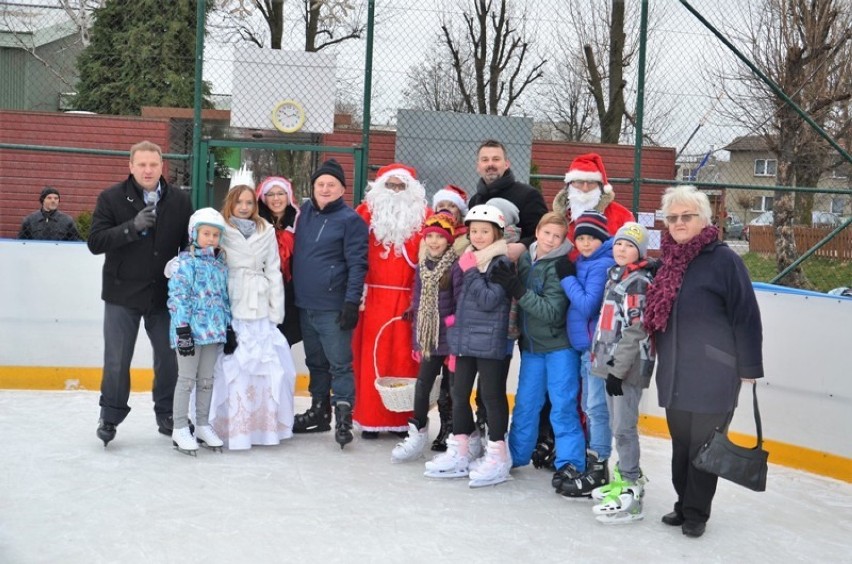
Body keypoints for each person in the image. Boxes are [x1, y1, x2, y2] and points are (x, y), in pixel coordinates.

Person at [644, 185, 763, 538]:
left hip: (715, 372)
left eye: (687, 216)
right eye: (673, 217)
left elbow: (746, 316)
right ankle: (683, 504)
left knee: (704, 447)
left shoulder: (725, 260)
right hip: (676, 371)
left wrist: (749, 368)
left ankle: (697, 513)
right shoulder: (667, 260)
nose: (679, 223)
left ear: (704, 219)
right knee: (681, 446)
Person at [88, 140, 193, 446]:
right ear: (131, 166)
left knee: (168, 358)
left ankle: (167, 413)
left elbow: (189, 241)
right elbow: (95, 242)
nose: (148, 170)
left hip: (163, 295)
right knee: (118, 359)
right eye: (142, 164)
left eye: (154, 164)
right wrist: (131, 227)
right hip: (123, 293)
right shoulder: (111, 198)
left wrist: (184, 261)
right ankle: (110, 415)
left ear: (163, 167)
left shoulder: (180, 201)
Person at [489, 213, 585, 483]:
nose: (551, 240)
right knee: (526, 404)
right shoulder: (526, 259)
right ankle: (516, 456)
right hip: (531, 347)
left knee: (563, 405)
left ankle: (571, 462)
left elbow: (553, 312)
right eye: (547, 234)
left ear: (564, 239)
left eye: (557, 236)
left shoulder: (561, 266)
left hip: (559, 347)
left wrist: (518, 290)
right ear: (539, 232)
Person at [208, 167, 297, 450]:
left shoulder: (266, 230)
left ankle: (262, 428)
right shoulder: (220, 229)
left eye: (249, 202)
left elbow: (273, 271)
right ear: (230, 203)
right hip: (233, 303)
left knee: (266, 367)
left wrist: (275, 311)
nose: (244, 207)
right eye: (239, 202)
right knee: (233, 366)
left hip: (259, 307)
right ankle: (231, 427)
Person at [424, 204, 512, 488]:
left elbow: (489, 300)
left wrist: (471, 272)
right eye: (474, 231)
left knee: (491, 397)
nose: (478, 236)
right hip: (464, 340)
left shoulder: (501, 262)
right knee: (459, 394)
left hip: (489, 340)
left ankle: (498, 454)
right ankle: (462, 448)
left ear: (497, 233)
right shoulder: (469, 257)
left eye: (485, 231)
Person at [292, 159, 368, 449]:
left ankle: (343, 417)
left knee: (339, 364)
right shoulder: (305, 213)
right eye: (320, 184)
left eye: (331, 184)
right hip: (305, 304)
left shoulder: (351, 221)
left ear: (342, 189)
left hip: (332, 307)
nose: (325, 188)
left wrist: (350, 303)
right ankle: (319, 411)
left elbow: (358, 264)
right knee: (316, 362)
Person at [352, 163, 428, 438]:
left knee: (403, 361)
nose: (395, 192)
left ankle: (400, 420)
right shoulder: (364, 215)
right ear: (379, 188)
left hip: (408, 300)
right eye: (390, 186)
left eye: (401, 186)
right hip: (371, 299)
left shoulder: (424, 217)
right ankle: (370, 419)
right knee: (371, 360)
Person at [588, 222, 656, 524]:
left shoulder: (639, 281)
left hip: (625, 368)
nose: (621, 249)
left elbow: (636, 329)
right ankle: (628, 475)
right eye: (618, 244)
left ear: (639, 251)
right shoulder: (616, 275)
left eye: (629, 245)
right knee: (617, 425)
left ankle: (631, 487)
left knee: (624, 428)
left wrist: (617, 369)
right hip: (610, 365)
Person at [553, 210, 616, 497]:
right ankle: (593, 461)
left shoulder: (602, 263)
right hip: (583, 347)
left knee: (595, 408)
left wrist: (567, 279)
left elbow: (589, 305)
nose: (585, 243)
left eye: (591, 238)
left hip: (595, 349)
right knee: (589, 407)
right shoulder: (584, 262)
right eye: (581, 238)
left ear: (601, 239)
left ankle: (599, 464)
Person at [391, 211, 462, 463]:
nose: (433, 241)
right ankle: (417, 432)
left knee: (456, 390)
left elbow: (460, 303)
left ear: (448, 240)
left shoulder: (455, 266)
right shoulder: (423, 267)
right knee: (422, 387)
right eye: (429, 236)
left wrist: (455, 340)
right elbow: (418, 306)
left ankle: (459, 438)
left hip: (451, 339)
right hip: (430, 338)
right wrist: (417, 342)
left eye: (439, 237)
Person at [166, 208, 233, 456]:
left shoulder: (220, 265)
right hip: (190, 333)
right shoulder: (185, 263)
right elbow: (178, 298)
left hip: (213, 332)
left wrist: (228, 326)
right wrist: (182, 329)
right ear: (194, 234)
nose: (211, 239)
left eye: (216, 235)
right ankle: (180, 426)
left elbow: (223, 299)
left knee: (206, 381)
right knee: (186, 380)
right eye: (206, 233)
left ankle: (202, 424)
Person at [426, 184, 470, 451]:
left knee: (455, 382)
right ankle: (444, 427)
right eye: (442, 205)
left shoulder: (465, 242)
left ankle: (458, 429)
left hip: (455, 323)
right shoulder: (430, 240)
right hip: (433, 323)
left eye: (452, 206)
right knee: (439, 383)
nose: (446, 210)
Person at [468, 139, 548, 261]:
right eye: (485, 160)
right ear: (478, 167)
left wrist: (523, 246)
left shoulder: (528, 195)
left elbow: (545, 233)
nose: (490, 164)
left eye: (496, 159)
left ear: (506, 164)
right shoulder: (474, 201)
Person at [552, 152, 635, 258]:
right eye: (579, 182)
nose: (585, 188)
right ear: (570, 184)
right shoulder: (559, 217)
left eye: (591, 182)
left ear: (600, 186)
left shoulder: (622, 216)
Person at [257, 176, 301, 346]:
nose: (276, 199)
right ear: (264, 198)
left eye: (280, 193)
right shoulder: (257, 223)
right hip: (263, 292)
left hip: (291, 292)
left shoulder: (299, 221)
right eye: (271, 194)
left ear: (288, 196)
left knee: (284, 343)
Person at [18, 186, 82, 241]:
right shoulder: (30, 220)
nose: (53, 201)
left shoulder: (67, 220)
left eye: (56, 198)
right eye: (49, 198)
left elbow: (76, 241)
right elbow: (21, 241)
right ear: (43, 200)